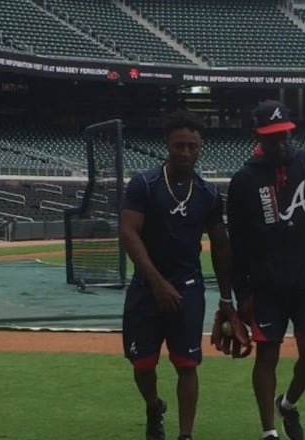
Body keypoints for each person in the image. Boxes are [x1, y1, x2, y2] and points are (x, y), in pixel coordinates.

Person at [227, 100, 305, 440]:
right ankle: (269, 431)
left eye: (284, 135)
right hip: (265, 286)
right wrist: (242, 294)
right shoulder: (243, 181)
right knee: (267, 355)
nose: (280, 142)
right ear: (258, 137)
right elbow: (236, 245)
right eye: (272, 137)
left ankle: (289, 403)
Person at [119, 110, 244, 440]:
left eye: (192, 146)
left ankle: (185, 435)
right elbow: (129, 233)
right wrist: (158, 282)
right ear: (167, 145)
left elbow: (220, 245)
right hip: (147, 287)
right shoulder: (144, 184)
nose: (185, 153)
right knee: (143, 363)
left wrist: (227, 298)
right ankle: (152, 406)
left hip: (188, 288)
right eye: (179, 146)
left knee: (187, 365)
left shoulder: (208, 194)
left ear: (200, 147)